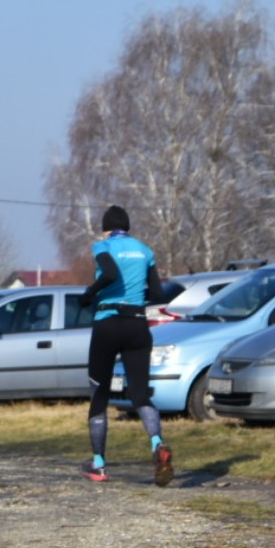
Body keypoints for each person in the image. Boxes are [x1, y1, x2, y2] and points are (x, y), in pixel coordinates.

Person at [81, 205, 172, 486]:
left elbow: (108, 273)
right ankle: (157, 444)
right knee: (140, 393)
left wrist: (89, 293)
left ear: (107, 228)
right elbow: (157, 293)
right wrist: (134, 297)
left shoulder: (103, 246)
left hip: (108, 323)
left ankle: (98, 464)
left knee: (99, 392)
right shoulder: (145, 250)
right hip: (137, 326)